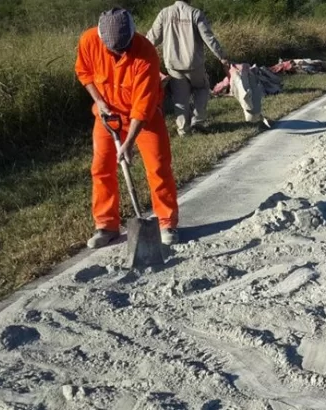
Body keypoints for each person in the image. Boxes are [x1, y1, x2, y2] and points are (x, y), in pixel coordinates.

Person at [75, 8, 180, 248]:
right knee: (101, 168)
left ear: (132, 35)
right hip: (108, 116)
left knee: (158, 167)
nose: (119, 52)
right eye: (114, 49)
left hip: (145, 120)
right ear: (101, 37)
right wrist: (99, 102)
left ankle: (166, 222)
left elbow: (143, 106)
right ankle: (106, 226)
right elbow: (84, 73)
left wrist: (129, 143)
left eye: (124, 47)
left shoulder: (146, 53)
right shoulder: (89, 40)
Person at [146, 0, 230, 137]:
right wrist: (222, 57)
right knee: (202, 88)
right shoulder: (195, 13)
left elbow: (151, 39)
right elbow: (209, 38)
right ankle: (197, 120)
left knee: (180, 98)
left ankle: (183, 130)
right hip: (194, 64)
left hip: (173, 64)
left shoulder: (164, 13)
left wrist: (138, 53)